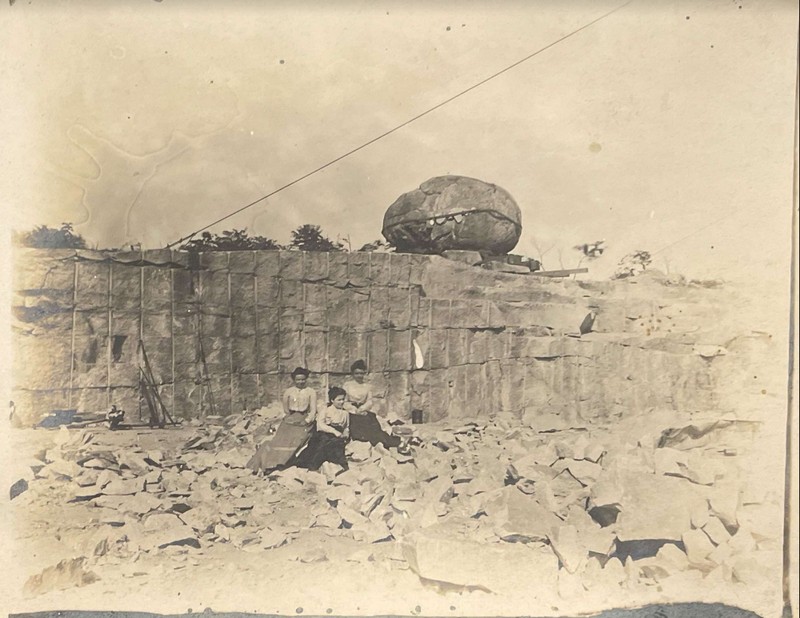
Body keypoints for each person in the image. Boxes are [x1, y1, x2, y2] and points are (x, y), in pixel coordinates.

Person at [247, 367, 317, 474]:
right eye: (298, 379)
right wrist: (289, 418)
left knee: (296, 440)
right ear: (294, 380)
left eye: (303, 379)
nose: (300, 382)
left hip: (304, 420)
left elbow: (313, 410)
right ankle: (269, 464)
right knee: (279, 440)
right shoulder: (289, 391)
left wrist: (307, 421)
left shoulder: (311, 392)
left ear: (306, 379)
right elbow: (285, 408)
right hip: (290, 419)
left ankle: (282, 463)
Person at [342, 360, 403, 450]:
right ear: (353, 374)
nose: (359, 376)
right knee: (355, 424)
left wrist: (362, 408)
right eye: (357, 373)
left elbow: (370, 401)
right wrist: (354, 410)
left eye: (361, 373)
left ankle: (382, 441)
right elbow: (344, 401)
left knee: (373, 424)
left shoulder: (367, 386)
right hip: (351, 410)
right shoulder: (347, 385)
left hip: (363, 410)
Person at [294, 386, 350, 471]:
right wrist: (335, 432)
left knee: (337, 445)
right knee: (322, 444)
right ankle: (312, 466)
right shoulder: (326, 410)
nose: (342, 402)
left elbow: (346, 426)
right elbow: (320, 425)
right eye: (339, 400)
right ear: (332, 400)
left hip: (339, 436)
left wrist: (346, 433)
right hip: (325, 433)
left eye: (343, 399)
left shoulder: (345, 413)